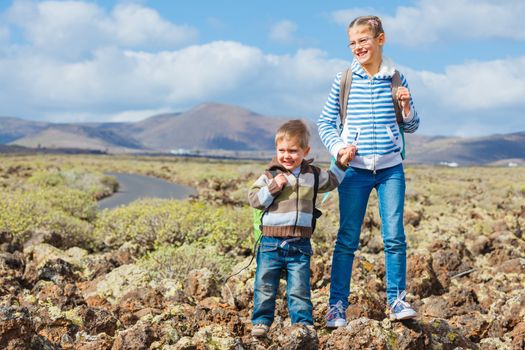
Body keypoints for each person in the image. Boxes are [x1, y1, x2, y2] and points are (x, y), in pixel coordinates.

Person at [317, 15, 420, 327]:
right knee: (347, 238)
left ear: (380, 39)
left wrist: (405, 108)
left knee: (395, 237)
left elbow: (412, 125)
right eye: (352, 42)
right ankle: (336, 307)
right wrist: (338, 149)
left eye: (363, 40)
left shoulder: (397, 79)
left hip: (390, 170)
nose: (357, 46)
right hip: (355, 172)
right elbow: (325, 123)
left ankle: (397, 300)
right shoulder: (345, 79)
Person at [248, 119, 350, 338]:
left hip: (300, 246)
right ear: (276, 150)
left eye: (293, 151)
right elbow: (254, 199)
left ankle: (303, 324)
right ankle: (261, 322)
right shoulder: (270, 175)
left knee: (299, 289)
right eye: (282, 150)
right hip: (270, 244)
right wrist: (275, 187)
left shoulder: (312, 175)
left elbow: (331, 181)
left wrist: (341, 164)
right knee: (264, 285)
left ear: (305, 151)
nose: (287, 156)